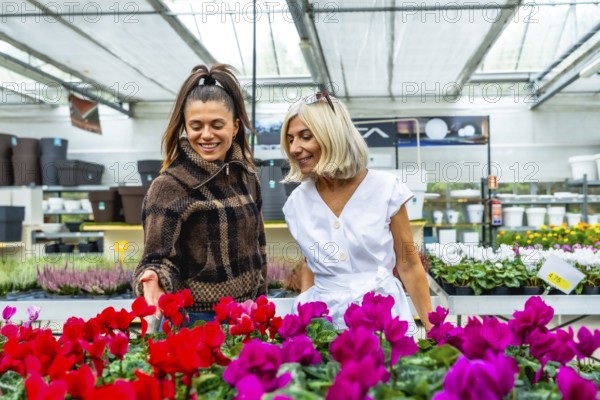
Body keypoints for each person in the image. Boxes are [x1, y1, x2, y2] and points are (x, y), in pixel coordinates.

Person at [280, 92, 432, 331]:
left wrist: (435, 330)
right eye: (290, 139)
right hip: (324, 323)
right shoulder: (296, 203)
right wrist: (305, 319)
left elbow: (409, 266)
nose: (294, 148)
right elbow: (310, 265)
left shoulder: (386, 190)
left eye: (305, 137)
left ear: (333, 137)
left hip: (381, 318)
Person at [133, 64, 267, 326]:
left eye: (217, 125)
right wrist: (153, 276)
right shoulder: (170, 185)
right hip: (196, 320)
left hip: (246, 314)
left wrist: (261, 303)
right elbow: (158, 257)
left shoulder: (247, 177)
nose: (206, 135)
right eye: (196, 126)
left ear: (235, 127)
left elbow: (259, 246)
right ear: (185, 127)